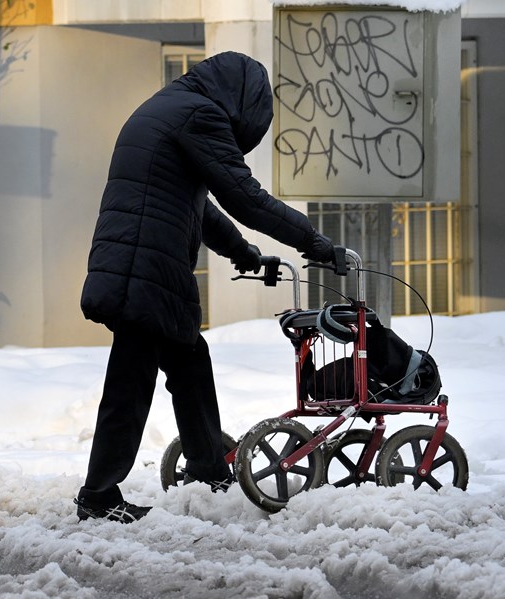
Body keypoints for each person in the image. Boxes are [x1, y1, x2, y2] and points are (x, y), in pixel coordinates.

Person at [75, 51, 336, 523]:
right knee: (130, 384)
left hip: (144, 265)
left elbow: (201, 207)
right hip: (144, 267)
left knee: (190, 363)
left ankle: (208, 471)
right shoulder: (199, 114)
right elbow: (244, 197)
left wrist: (246, 255)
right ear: (241, 99)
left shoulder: (171, 107)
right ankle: (98, 496)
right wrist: (314, 243)